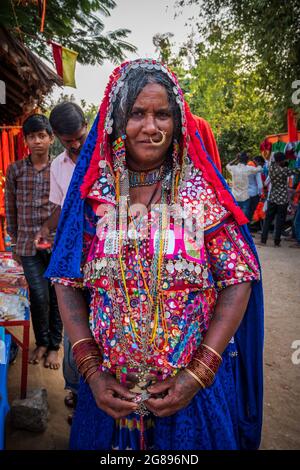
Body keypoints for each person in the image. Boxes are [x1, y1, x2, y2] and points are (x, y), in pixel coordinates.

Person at [46, 59, 264, 450]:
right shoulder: (94, 199)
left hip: (190, 398)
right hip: (109, 398)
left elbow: (238, 278)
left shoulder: (200, 195)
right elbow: (66, 281)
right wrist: (92, 374)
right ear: (115, 121)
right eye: (137, 114)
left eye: (162, 113)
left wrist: (198, 373)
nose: (151, 127)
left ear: (178, 121)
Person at [35, 102, 88, 419]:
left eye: (79, 136)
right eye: (69, 140)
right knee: (75, 325)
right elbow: (60, 208)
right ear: (57, 137)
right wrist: (45, 229)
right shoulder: (58, 165)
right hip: (73, 255)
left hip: (106, 253)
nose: (76, 144)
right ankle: (77, 389)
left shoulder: (105, 156)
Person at [5, 114, 62, 368]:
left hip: (56, 244)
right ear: (26, 140)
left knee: (57, 295)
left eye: (42, 135)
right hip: (27, 245)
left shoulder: (59, 168)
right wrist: (14, 242)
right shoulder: (15, 170)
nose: (37, 141)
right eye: (31, 136)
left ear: (51, 138)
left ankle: (54, 346)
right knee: (38, 295)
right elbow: (10, 207)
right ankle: (42, 341)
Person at [260, 152, 300, 247]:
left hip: (272, 198)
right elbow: (296, 171)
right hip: (282, 199)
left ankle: (263, 240)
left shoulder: (271, 168)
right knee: (280, 221)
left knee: (268, 219)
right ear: (281, 160)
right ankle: (276, 242)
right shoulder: (285, 170)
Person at [226, 152, 262, 218]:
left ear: (239, 159)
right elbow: (259, 169)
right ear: (247, 160)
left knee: (236, 218)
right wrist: (257, 163)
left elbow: (227, 165)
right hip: (245, 198)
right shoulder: (248, 168)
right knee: (245, 219)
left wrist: (236, 159)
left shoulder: (233, 168)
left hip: (235, 198)